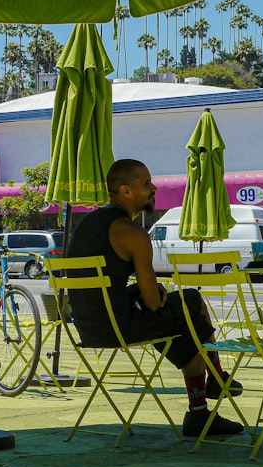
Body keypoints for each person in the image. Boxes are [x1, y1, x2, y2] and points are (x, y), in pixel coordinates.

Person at [65, 158, 243, 437]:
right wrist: (152, 290)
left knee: (182, 321)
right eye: (146, 183)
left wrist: (134, 290)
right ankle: (213, 382)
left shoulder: (88, 225)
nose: (154, 188)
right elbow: (153, 304)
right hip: (119, 327)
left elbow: (101, 291)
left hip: (88, 328)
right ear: (125, 191)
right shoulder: (132, 234)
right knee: (190, 303)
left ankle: (209, 393)